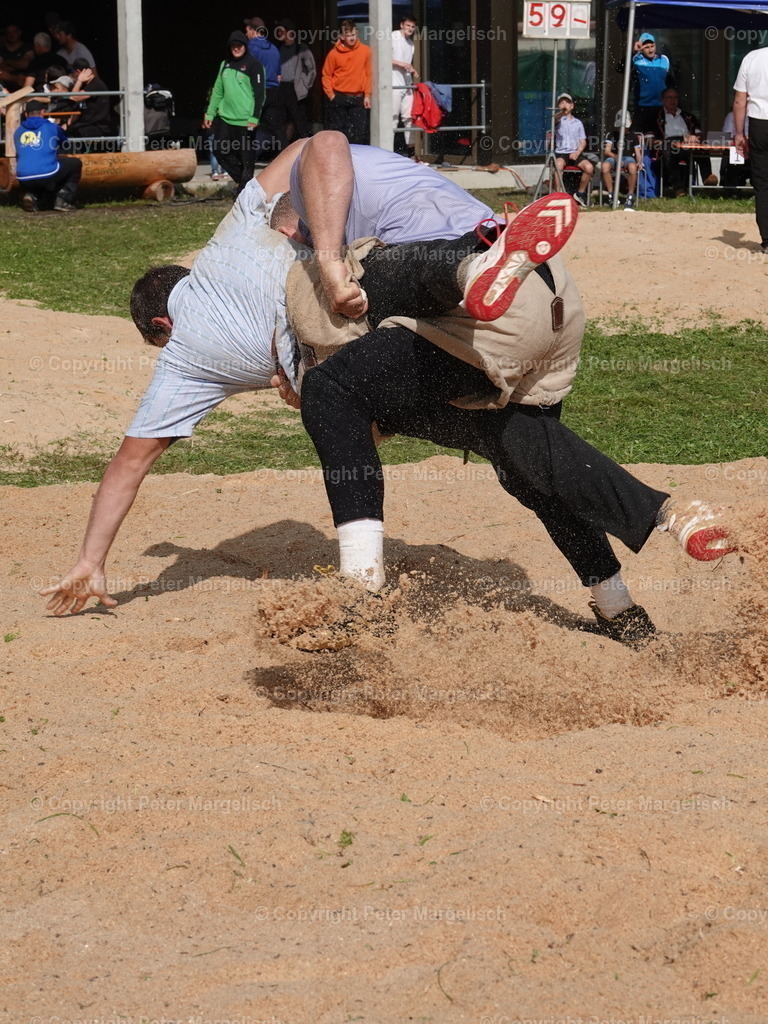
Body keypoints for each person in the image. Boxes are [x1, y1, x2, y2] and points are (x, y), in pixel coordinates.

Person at [39, 137, 734, 644]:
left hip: (464, 298)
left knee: (338, 372)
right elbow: (302, 149)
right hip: (546, 308)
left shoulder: (192, 347)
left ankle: (361, 586)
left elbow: (129, 462)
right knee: (525, 457)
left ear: (162, 323)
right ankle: (648, 555)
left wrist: (90, 562)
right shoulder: (238, 227)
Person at [203, 30, 265, 195]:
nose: (236, 48)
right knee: (219, 149)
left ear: (245, 46)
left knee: (246, 158)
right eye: (233, 46)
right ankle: (246, 184)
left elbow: (260, 94)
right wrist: (210, 113)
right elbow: (218, 91)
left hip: (246, 120)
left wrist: (255, 116)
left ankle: (245, 191)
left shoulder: (254, 65)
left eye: (239, 45)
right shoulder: (225, 65)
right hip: (225, 118)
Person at [14, 98, 81, 212]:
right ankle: (63, 200)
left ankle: (31, 195)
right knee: (75, 164)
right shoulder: (52, 127)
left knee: (39, 171)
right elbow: (65, 145)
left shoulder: (18, 131)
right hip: (46, 174)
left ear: (25, 114)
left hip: (23, 177)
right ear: (42, 112)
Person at [733, 46, 768, 252]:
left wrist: (739, 133)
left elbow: (740, 101)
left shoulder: (751, 57)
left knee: (762, 183)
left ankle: (767, 239)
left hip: (759, 124)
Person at [649, 87, 716, 196]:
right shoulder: (654, 117)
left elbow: (699, 134)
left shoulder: (688, 116)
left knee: (703, 148)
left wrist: (695, 138)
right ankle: (679, 188)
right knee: (669, 148)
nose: (673, 100)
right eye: (669, 98)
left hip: (688, 147)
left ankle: (708, 180)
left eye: (675, 97)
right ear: (662, 100)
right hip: (668, 148)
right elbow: (650, 140)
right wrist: (663, 143)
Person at [322, 20, 371, 145]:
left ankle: (356, 160)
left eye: (354, 34)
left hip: (358, 98)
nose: (352, 38)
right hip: (339, 96)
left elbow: (368, 74)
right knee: (338, 132)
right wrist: (331, 96)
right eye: (348, 35)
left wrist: (367, 95)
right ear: (342, 37)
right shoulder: (333, 54)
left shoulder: (365, 51)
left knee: (358, 132)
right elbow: (326, 75)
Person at [244, 16, 283, 160]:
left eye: (247, 30)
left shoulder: (250, 48)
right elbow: (279, 76)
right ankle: (287, 159)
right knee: (276, 129)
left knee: (249, 127)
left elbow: (245, 72)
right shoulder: (274, 49)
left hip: (256, 93)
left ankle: (246, 160)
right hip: (273, 92)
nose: (246, 34)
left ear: (253, 31)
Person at [275, 18, 315, 141]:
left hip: (296, 89)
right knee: (283, 121)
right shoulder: (279, 49)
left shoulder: (301, 48)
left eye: (281, 31)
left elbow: (312, 69)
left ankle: (306, 149)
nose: (279, 34)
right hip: (281, 88)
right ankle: (284, 150)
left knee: (299, 121)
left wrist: (305, 85)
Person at [552, 92, 593, 207]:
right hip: (562, 152)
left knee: (589, 168)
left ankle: (580, 193)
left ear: (572, 106)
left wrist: (577, 152)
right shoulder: (558, 120)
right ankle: (557, 195)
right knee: (558, 165)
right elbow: (555, 119)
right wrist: (561, 112)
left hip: (575, 152)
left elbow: (583, 141)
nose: (564, 104)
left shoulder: (578, 123)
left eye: (567, 102)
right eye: (561, 102)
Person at [627, 33, 674, 132]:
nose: (650, 50)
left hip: (661, 106)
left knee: (660, 134)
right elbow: (620, 68)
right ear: (641, 48)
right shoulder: (636, 59)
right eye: (646, 47)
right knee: (640, 134)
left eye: (652, 46)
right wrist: (634, 52)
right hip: (643, 106)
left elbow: (671, 82)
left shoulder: (664, 59)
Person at [601, 109, 642, 208]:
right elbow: (606, 151)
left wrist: (639, 162)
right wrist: (616, 156)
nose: (622, 129)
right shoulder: (612, 135)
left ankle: (630, 195)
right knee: (605, 166)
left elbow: (638, 152)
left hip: (628, 158)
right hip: (613, 157)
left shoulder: (633, 136)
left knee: (632, 168)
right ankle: (611, 194)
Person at [392, 13, 418, 158]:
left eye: (413, 27)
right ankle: (387, 152)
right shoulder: (392, 36)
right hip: (393, 83)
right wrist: (402, 64)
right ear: (401, 25)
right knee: (392, 118)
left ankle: (412, 154)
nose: (410, 29)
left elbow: (406, 62)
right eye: (408, 25)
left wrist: (412, 69)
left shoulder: (411, 44)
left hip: (406, 84)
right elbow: (381, 57)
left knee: (410, 118)